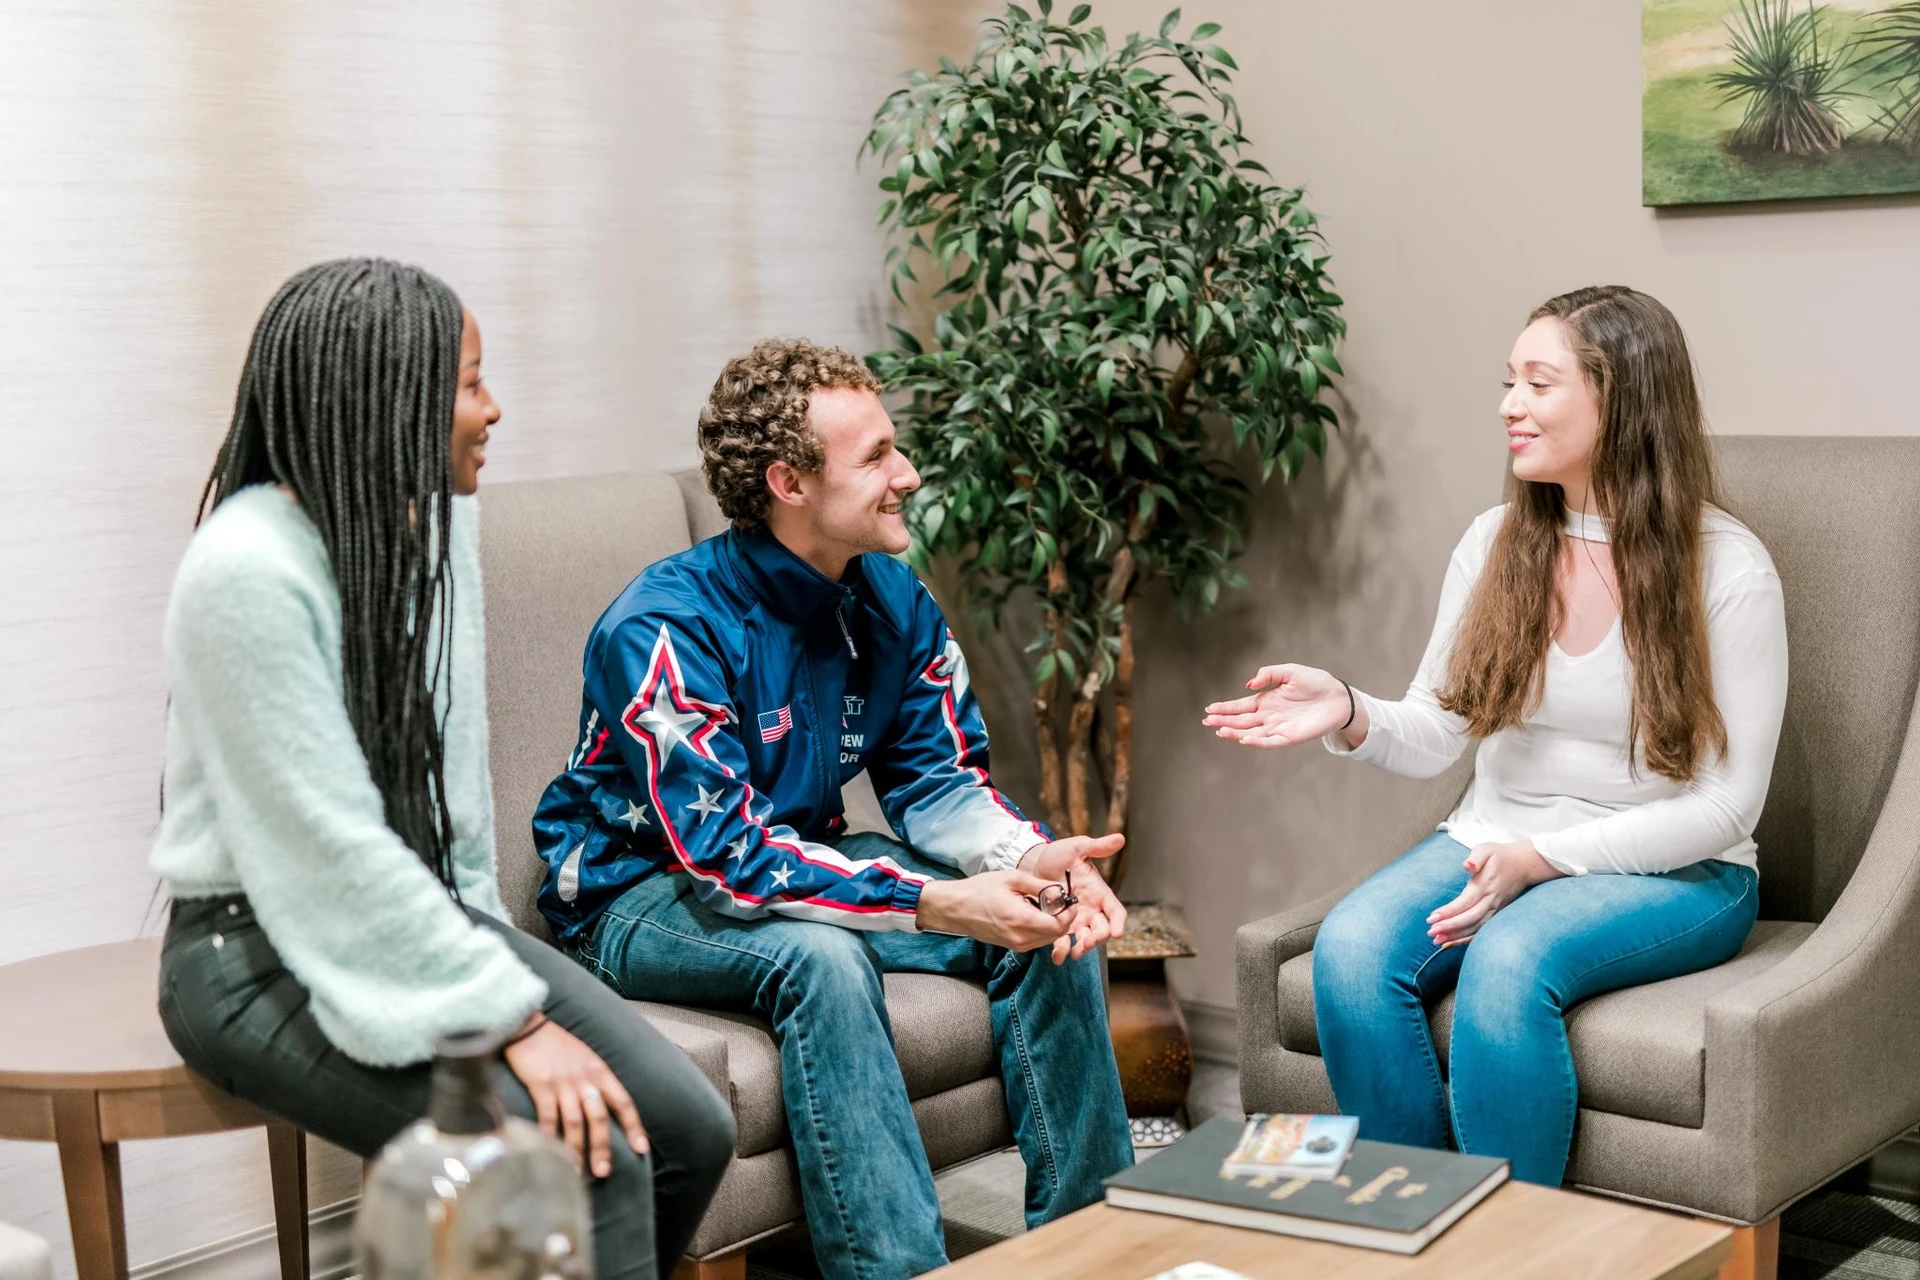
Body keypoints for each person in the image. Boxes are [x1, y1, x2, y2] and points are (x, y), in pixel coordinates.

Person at [151, 258, 735, 1280]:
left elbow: (449, 798)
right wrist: (507, 1018)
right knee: (575, 1149)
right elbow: (326, 847)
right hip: (251, 953)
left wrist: (498, 958)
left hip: (413, 912)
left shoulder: (424, 527)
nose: (494, 408)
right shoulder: (246, 568)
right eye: (471, 382)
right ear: (393, 395)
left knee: (684, 1124)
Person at [532, 338, 1135, 1280]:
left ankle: (1092, 1253)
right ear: (789, 481)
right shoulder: (663, 628)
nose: (908, 473)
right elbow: (729, 860)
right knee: (822, 957)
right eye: (878, 456)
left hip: (792, 852)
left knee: (1040, 915)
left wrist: (1027, 856)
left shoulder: (892, 597)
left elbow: (937, 781)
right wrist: (934, 902)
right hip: (636, 891)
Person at [1203, 285, 1787, 1186]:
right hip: (1492, 839)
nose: (1509, 405)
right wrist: (1350, 709)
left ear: (1620, 397)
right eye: (1508, 381)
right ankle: (1428, 1226)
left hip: (1681, 871)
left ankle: (1512, 1254)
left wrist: (1545, 859)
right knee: (1351, 955)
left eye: (1538, 384)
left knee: (1509, 966)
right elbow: (1439, 728)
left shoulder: (1728, 568)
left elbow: (1724, 804)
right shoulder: (1497, 542)